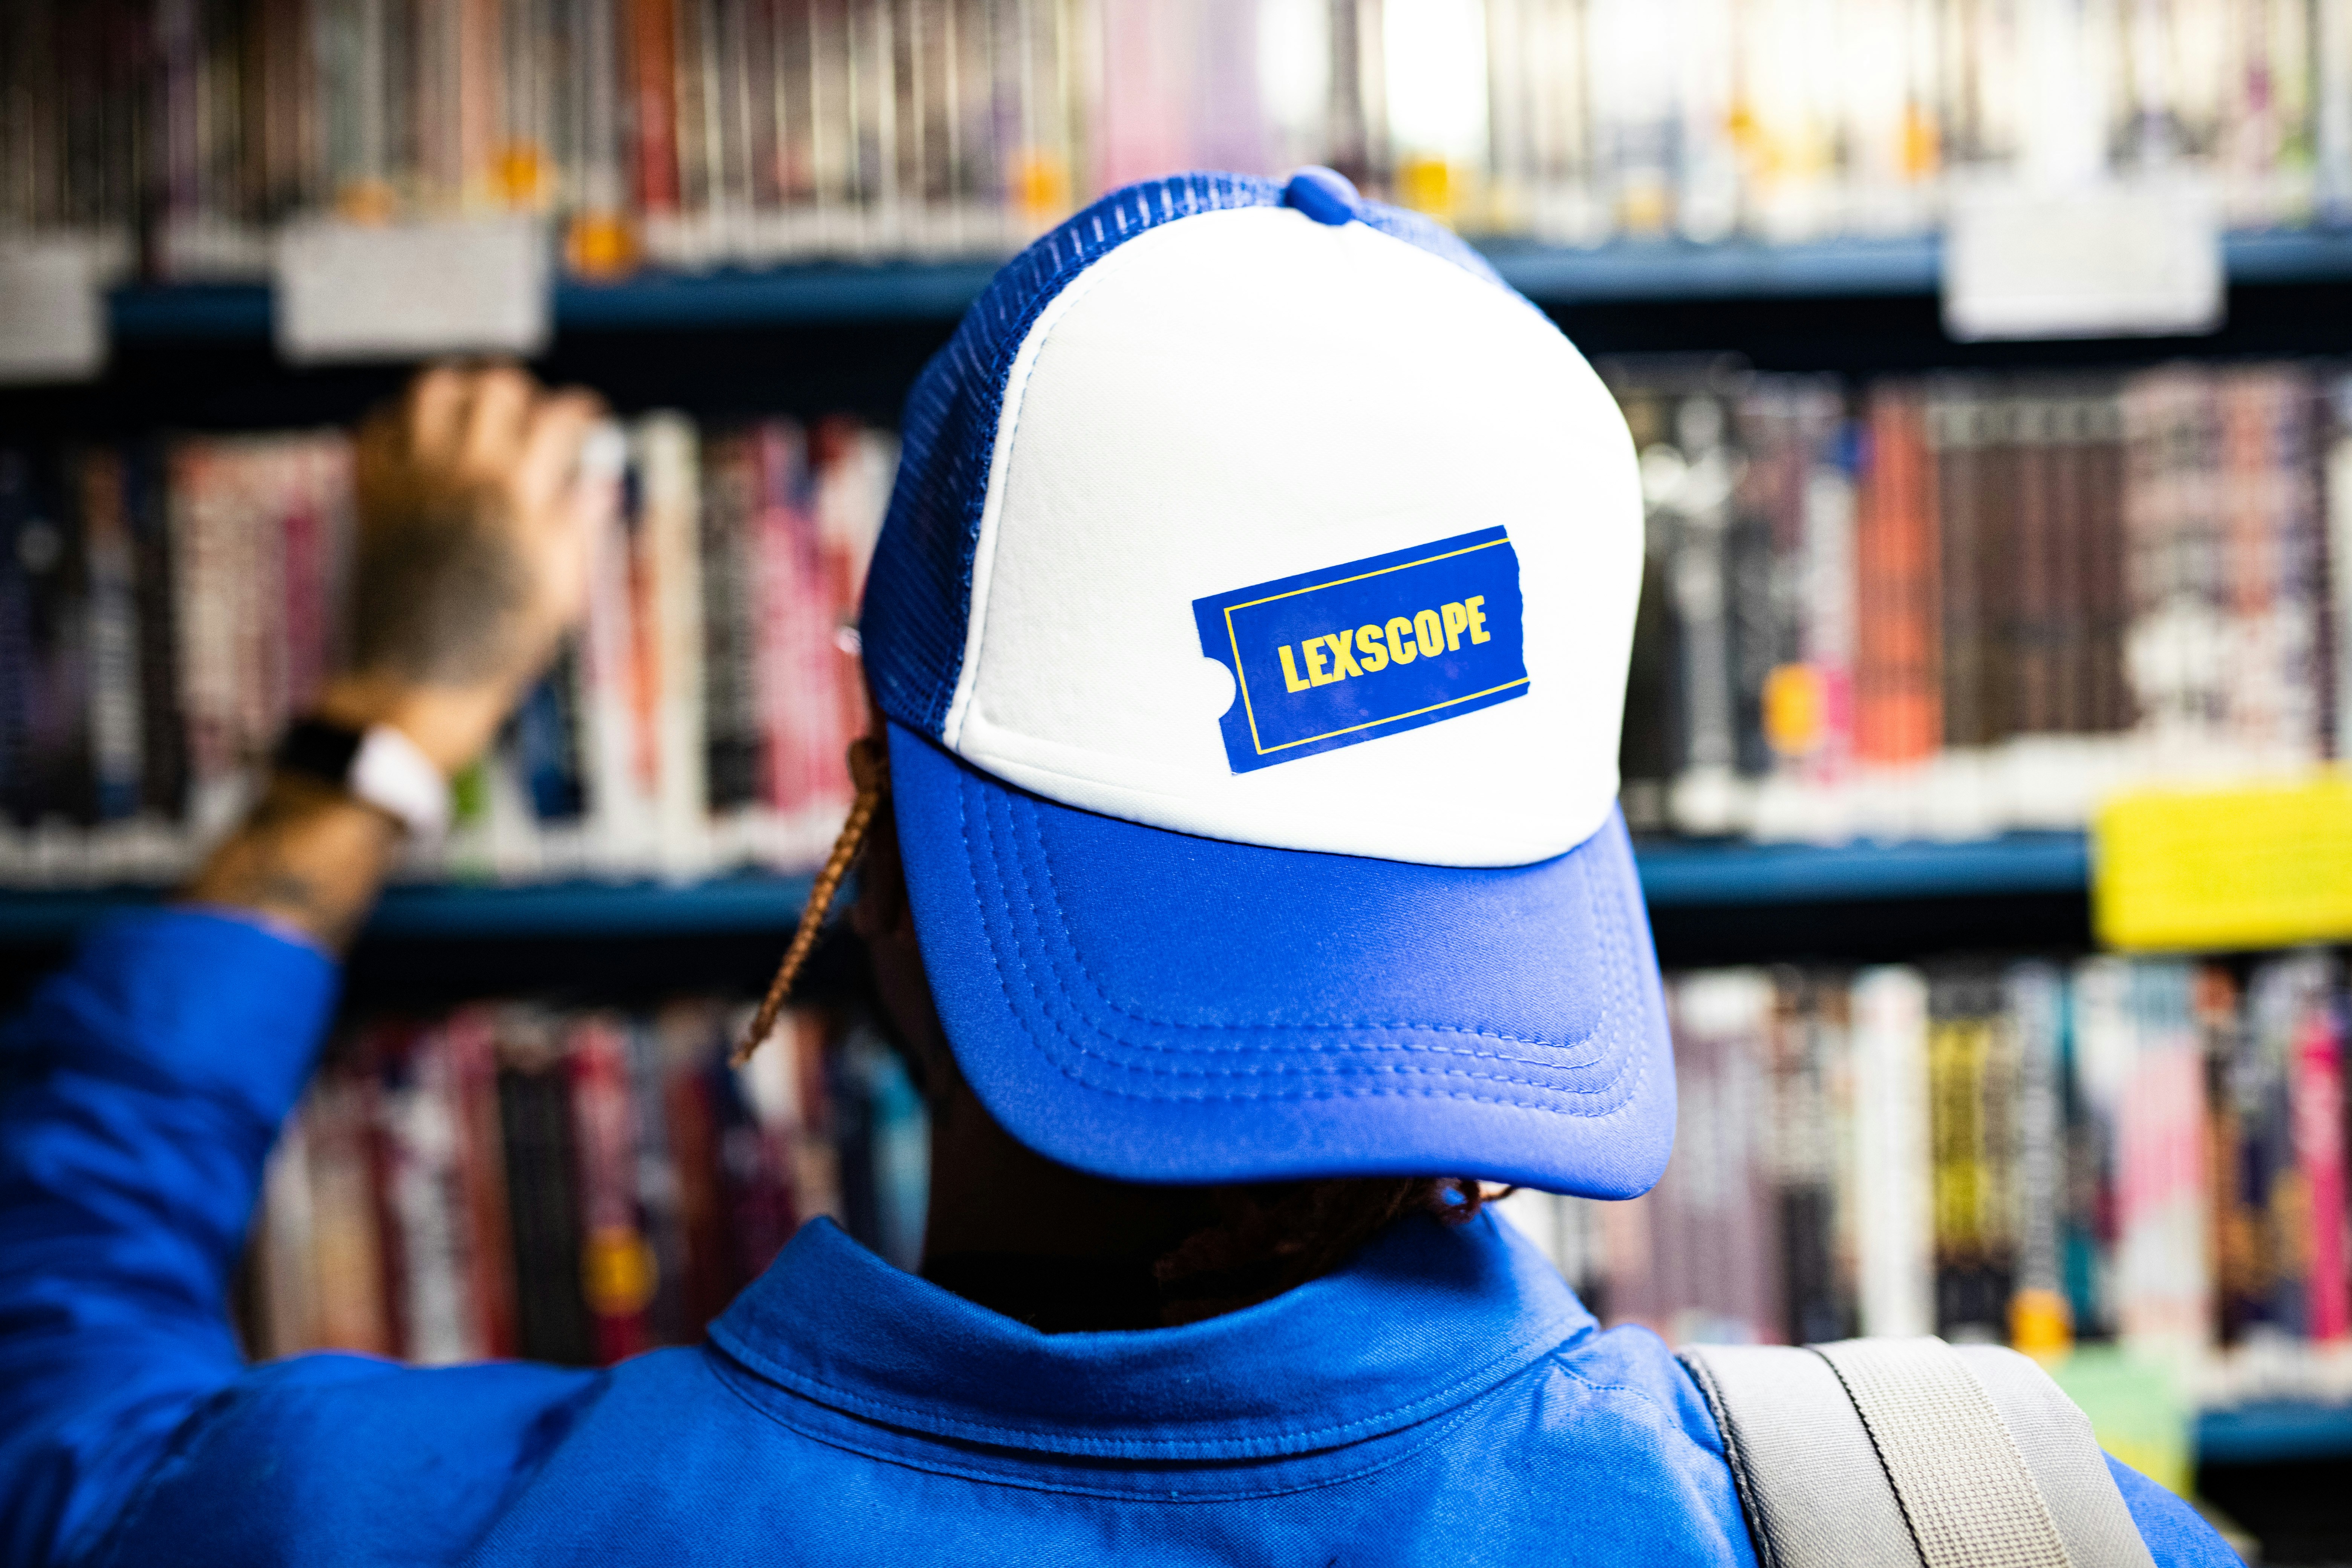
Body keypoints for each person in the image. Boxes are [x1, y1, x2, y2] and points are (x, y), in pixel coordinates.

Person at [0, 171, 2237, 1568]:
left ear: (871, 862)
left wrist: (373, 736)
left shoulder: (328, 1521)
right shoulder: (2000, 1530)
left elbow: (55, 1350)